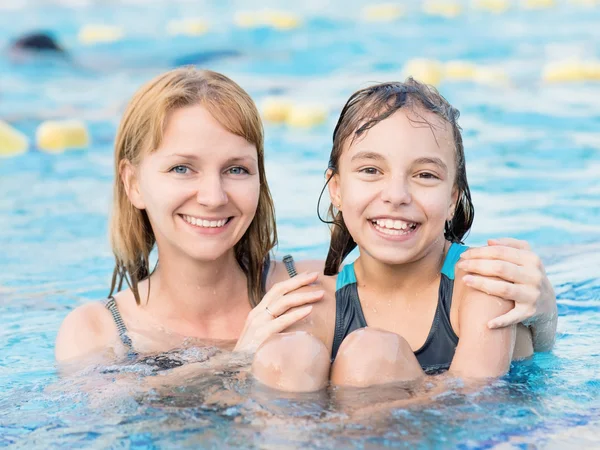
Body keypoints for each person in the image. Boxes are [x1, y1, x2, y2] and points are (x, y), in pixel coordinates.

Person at [55, 68, 556, 373]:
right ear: (134, 182)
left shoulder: (309, 288)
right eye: (182, 168)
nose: (212, 195)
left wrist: (544, 310)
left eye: (236, 169)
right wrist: (237, 363)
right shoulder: (97, 334)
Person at [251, 79, 558, 392]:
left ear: (452, 199)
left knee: (373, 356)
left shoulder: (482, 284)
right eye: (371, 170)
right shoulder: (318, 307)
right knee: (286, 353)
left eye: (425, 175)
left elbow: (475, 412)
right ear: (337, 190)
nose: (396, 195)